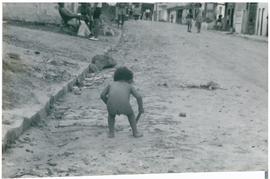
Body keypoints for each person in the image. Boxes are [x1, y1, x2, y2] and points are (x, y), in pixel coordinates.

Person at [100, 67, 144, 138]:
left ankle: (111, 133)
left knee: (111, 116)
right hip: (125, 106)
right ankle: (135, 132)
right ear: (129, 79)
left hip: (111, 106)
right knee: (131, 115)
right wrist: (140, 108)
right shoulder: (129, 86)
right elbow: (138, 97)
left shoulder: (111, 84)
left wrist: (108, 103)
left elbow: (102, 95)